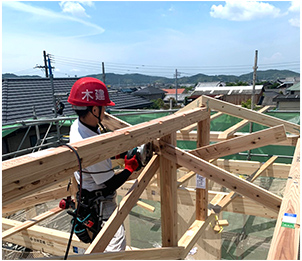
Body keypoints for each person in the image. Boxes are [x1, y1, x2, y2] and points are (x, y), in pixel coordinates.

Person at [67, 77, 139, 251]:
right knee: (115, 246)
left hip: (86, 196)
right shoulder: (89, 145)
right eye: (103, 107)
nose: (105, 110)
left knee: (99, 241)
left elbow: (98, 155)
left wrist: (114, 153)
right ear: (93, 109)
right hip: (100, 201)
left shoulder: (79, 125)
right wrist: (130, 168)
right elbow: (108, 185)